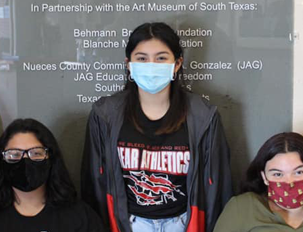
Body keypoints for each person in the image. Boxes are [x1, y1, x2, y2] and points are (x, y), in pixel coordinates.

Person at [82, 22, 232, 232]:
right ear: (129, 64)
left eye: (161, 58)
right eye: (142, 58)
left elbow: (217, 187)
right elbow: (93, 184)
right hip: (129, 223)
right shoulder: (105, 114)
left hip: (182, 222)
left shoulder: (203, 116)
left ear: (177, 64)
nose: (151, 65)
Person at [0, 118, 104, 232]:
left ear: (51, 158)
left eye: (36, 153)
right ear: (2, 160)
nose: (25, 160)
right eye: (14, 154)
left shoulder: (80, 217)